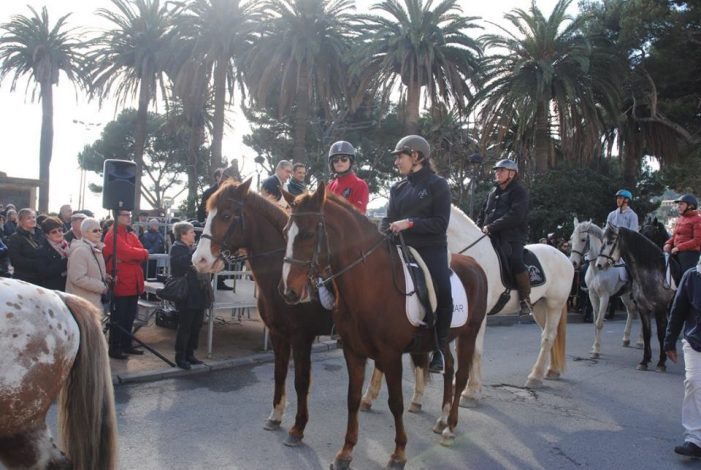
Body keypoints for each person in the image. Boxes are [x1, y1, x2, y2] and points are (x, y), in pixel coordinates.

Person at [383, 135, 452, 373]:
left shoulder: (438, 185)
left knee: (443, 290)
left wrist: (410, 223)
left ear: (416, 156)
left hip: (430, 248)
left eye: (399, 156)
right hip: (400, 248)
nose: (396, 162)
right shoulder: (397, 188)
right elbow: (388, 219)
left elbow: (440, 223)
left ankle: (440, 350)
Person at [477, 159, 532, 317]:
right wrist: (477, 229)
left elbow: (515, 216)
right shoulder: (493, 191)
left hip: (513, 237)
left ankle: (525, 299)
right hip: (490, 235)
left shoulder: (519, 191)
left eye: (502, 170)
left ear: (512, 173)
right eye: (497, 170)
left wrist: (491, 227)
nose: (497, 172)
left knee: (515, 260)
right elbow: (483, 214)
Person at [663, 259, 701, 458]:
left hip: (688, 245)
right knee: (694, 383)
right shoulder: (691, 276)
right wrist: (669, 341)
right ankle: (695, 440)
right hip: (696, 340)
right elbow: (678, 310)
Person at [103, 210, 149, 360]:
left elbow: (144, 253)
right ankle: (115, 348)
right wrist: (134, 256)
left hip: (133, 281)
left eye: (129, 215)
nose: (128, 217)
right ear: (116, 216)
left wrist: (132, 256)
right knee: (119, 318)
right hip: (122, 282)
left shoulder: (130, 234)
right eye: (124, 215)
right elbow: (128, 253)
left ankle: (126, 344)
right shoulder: (112, 236)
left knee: (129, 317)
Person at [169, 221, 213, 370]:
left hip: (198, 292)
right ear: (183, 235)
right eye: (191, 232)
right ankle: (180, 357)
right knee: (185, 326)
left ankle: (190, 354)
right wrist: (195, 253)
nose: (195, 234)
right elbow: (180, 264)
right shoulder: (177, 248)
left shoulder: (190, 248)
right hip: (187, 293)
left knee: (196, 325)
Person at [66, 217, 110, 310]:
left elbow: (92, 270)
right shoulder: (80, 251)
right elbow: (77, 278)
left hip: (92, 299)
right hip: (83, 302)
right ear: (85, 233)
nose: (99, 233)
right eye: (95, 231)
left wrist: (104, 276)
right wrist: (101, 287)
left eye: (100, 230)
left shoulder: (95, 248)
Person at [327, 141, 369, 214]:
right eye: (335, 160)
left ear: (351, 161)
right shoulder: (329, 187)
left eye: (344, 159)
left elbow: (358, 215)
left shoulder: (360, 185)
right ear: (332, 163)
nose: (339, 162)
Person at [664, 194, 701, 274]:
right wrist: (668, 243)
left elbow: (697, 240)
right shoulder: (680, 219)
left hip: (689, 254)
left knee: (685, 278)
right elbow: (674, 236)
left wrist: (679, 248)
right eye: (678, 204)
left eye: (681, 204)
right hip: (676, 251)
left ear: (690, 206)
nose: (678, 206)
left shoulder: (698, 220)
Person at [7, 208, 45, 285]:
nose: (33, 220)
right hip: (24, 279)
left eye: (34, 217)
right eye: (28, 218)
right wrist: (38, 263)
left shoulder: (40, 234)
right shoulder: (15, 238)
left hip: (39, 278)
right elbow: (15, 260)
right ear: (21, 221)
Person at [38, 216, 69, 291]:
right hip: (53, 289)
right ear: (47, 235)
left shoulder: (68, 245)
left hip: (68, 287)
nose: (58, 233)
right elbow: (44, 273)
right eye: (54, 232)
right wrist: (66, 261)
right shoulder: (42, 250)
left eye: (60, 230)